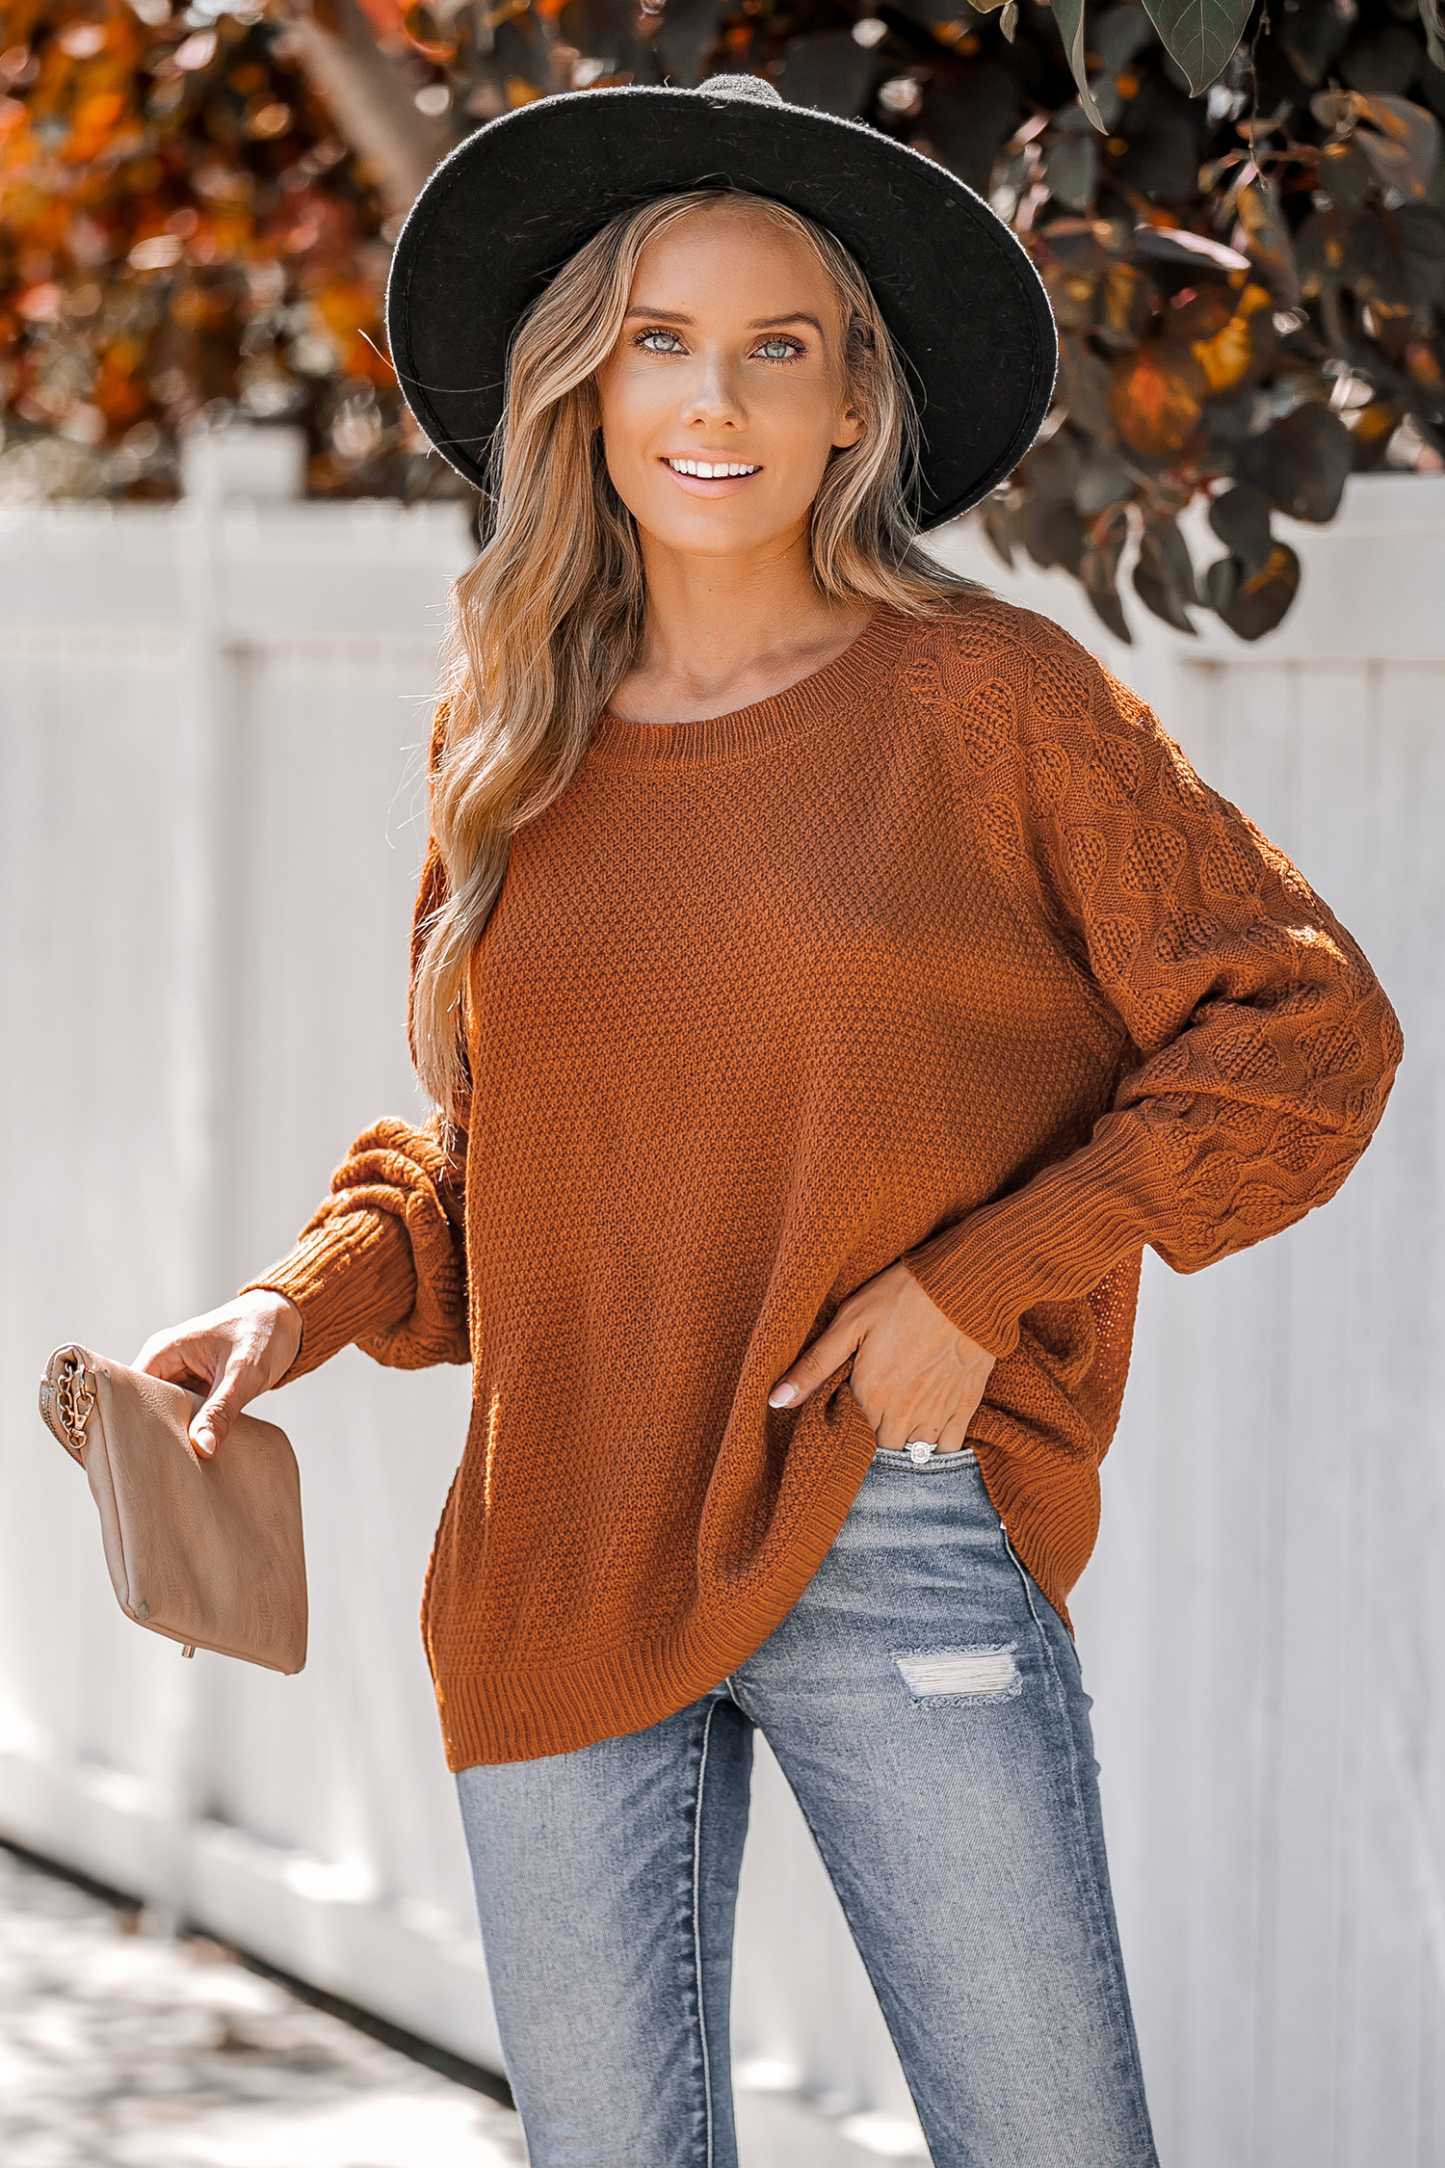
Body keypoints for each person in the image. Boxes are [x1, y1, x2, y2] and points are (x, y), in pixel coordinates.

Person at [135, 76, 1401, 2168]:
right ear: (586, 386)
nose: (710, 398)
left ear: (851, 404)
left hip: (891, 1515)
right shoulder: (508, 728)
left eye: (774, 346)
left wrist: (981, 1282)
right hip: (554, 1538)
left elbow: (1302, 1024)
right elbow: (513, 1156)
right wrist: (295, 1303)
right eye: (659, 339)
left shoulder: (991, 700)